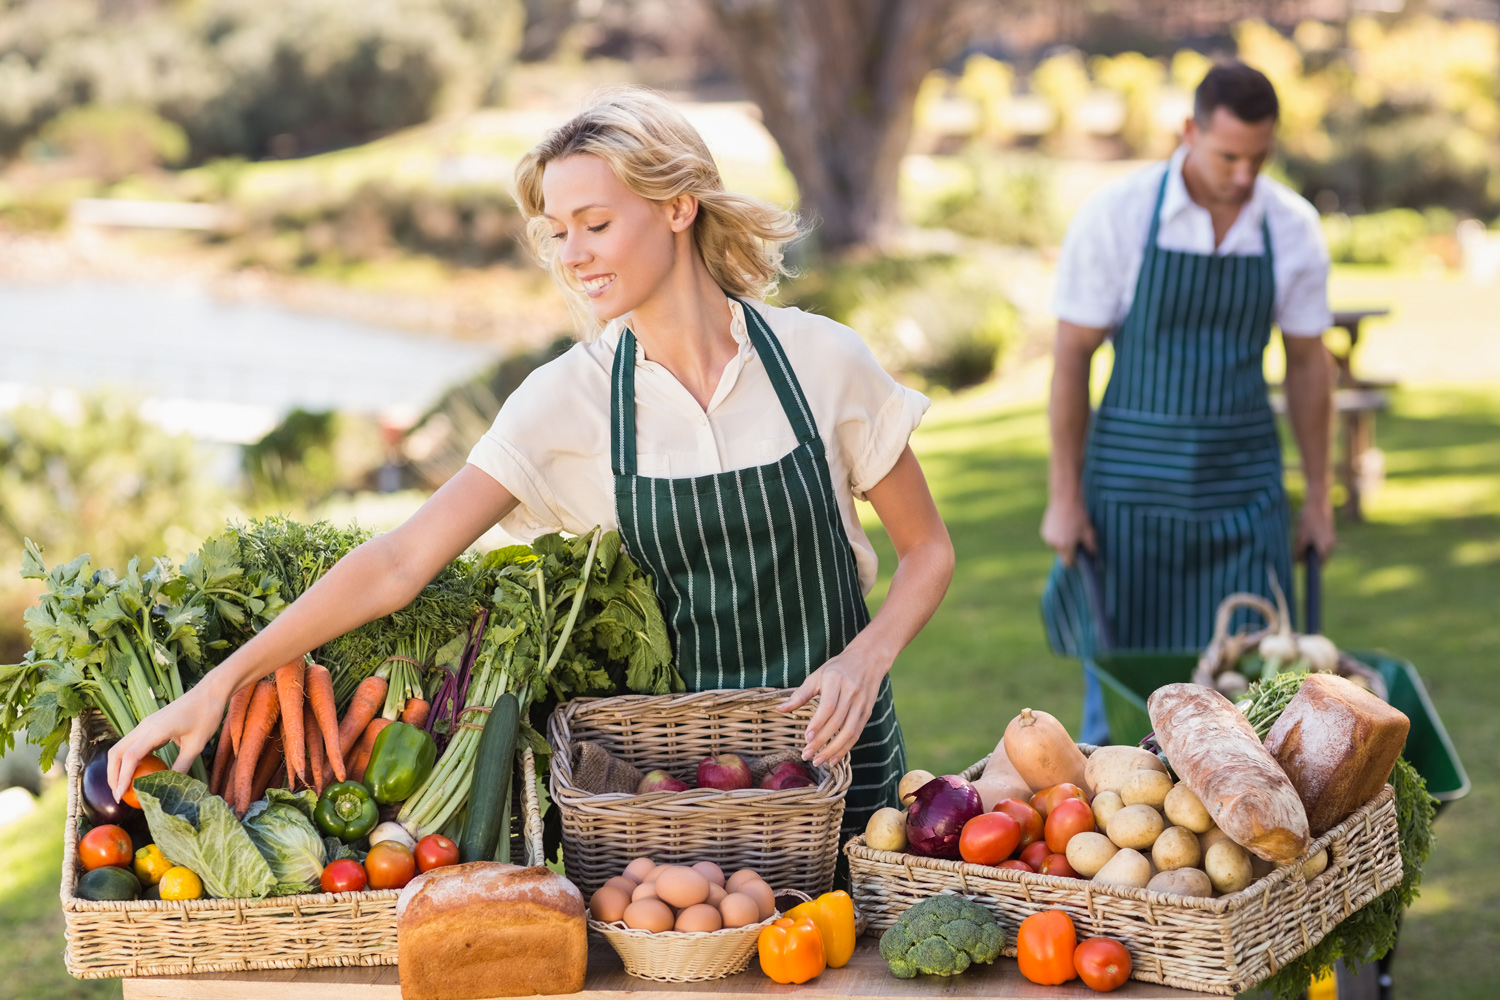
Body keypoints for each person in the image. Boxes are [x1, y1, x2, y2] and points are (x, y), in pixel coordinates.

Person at [109, 89, 954, 843]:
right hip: (679, 796)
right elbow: (401, 559)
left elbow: (929, 550)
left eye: (596, 223)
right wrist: (220, 684)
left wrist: (866, 656)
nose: (574, 254)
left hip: (846, 766)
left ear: (678, 207)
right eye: (558, 232)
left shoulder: (820, 361)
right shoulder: (570, 400)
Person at [1040, 62, 1335, 742]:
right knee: (1120, 713)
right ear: (1188, 131)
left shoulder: (1290, 227)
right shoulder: (1118, 215)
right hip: (1129, 494)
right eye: (1228, 155)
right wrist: (1064, 494)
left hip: (1243, 491)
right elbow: (1071, 357)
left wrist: (1318, 496)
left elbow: (1308, 366)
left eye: (1258, 158)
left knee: (1260, 707)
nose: (1242, 174)